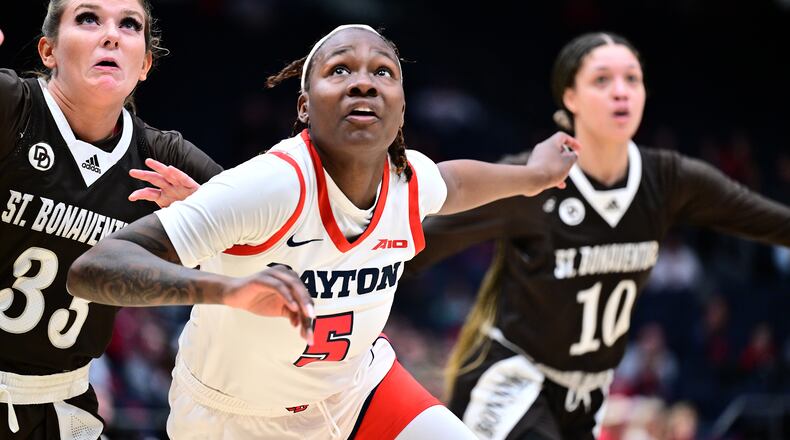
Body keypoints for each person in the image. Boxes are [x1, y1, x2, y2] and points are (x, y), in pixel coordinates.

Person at [66, 24, 581, 439]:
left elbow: (454, 181)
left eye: (383, 72)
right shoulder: (271, 184)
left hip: (357, 391)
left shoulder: (408, 180)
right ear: (304, 105)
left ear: (401, 109)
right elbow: (94, 268)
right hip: (235, 418)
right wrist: (228, 290)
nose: (364, 82)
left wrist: (535, 175)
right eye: (340, 70)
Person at [407, 32, 790, 440]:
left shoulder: (669, 179)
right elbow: (409, 248)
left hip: (588, 394)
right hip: (514, 380)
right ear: (570, 97)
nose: (621, 92)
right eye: (603, 80)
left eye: (632, 79)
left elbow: (768, 219)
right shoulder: (531, 179)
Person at [0, 0, 222, 437]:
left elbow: (272, 236)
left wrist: (215, 221)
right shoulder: (14, 108)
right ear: (48, 51)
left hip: (62, 402)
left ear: (145, 64)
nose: (111, 35)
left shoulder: (160, 159)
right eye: (88, 19)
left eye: (129, 25)